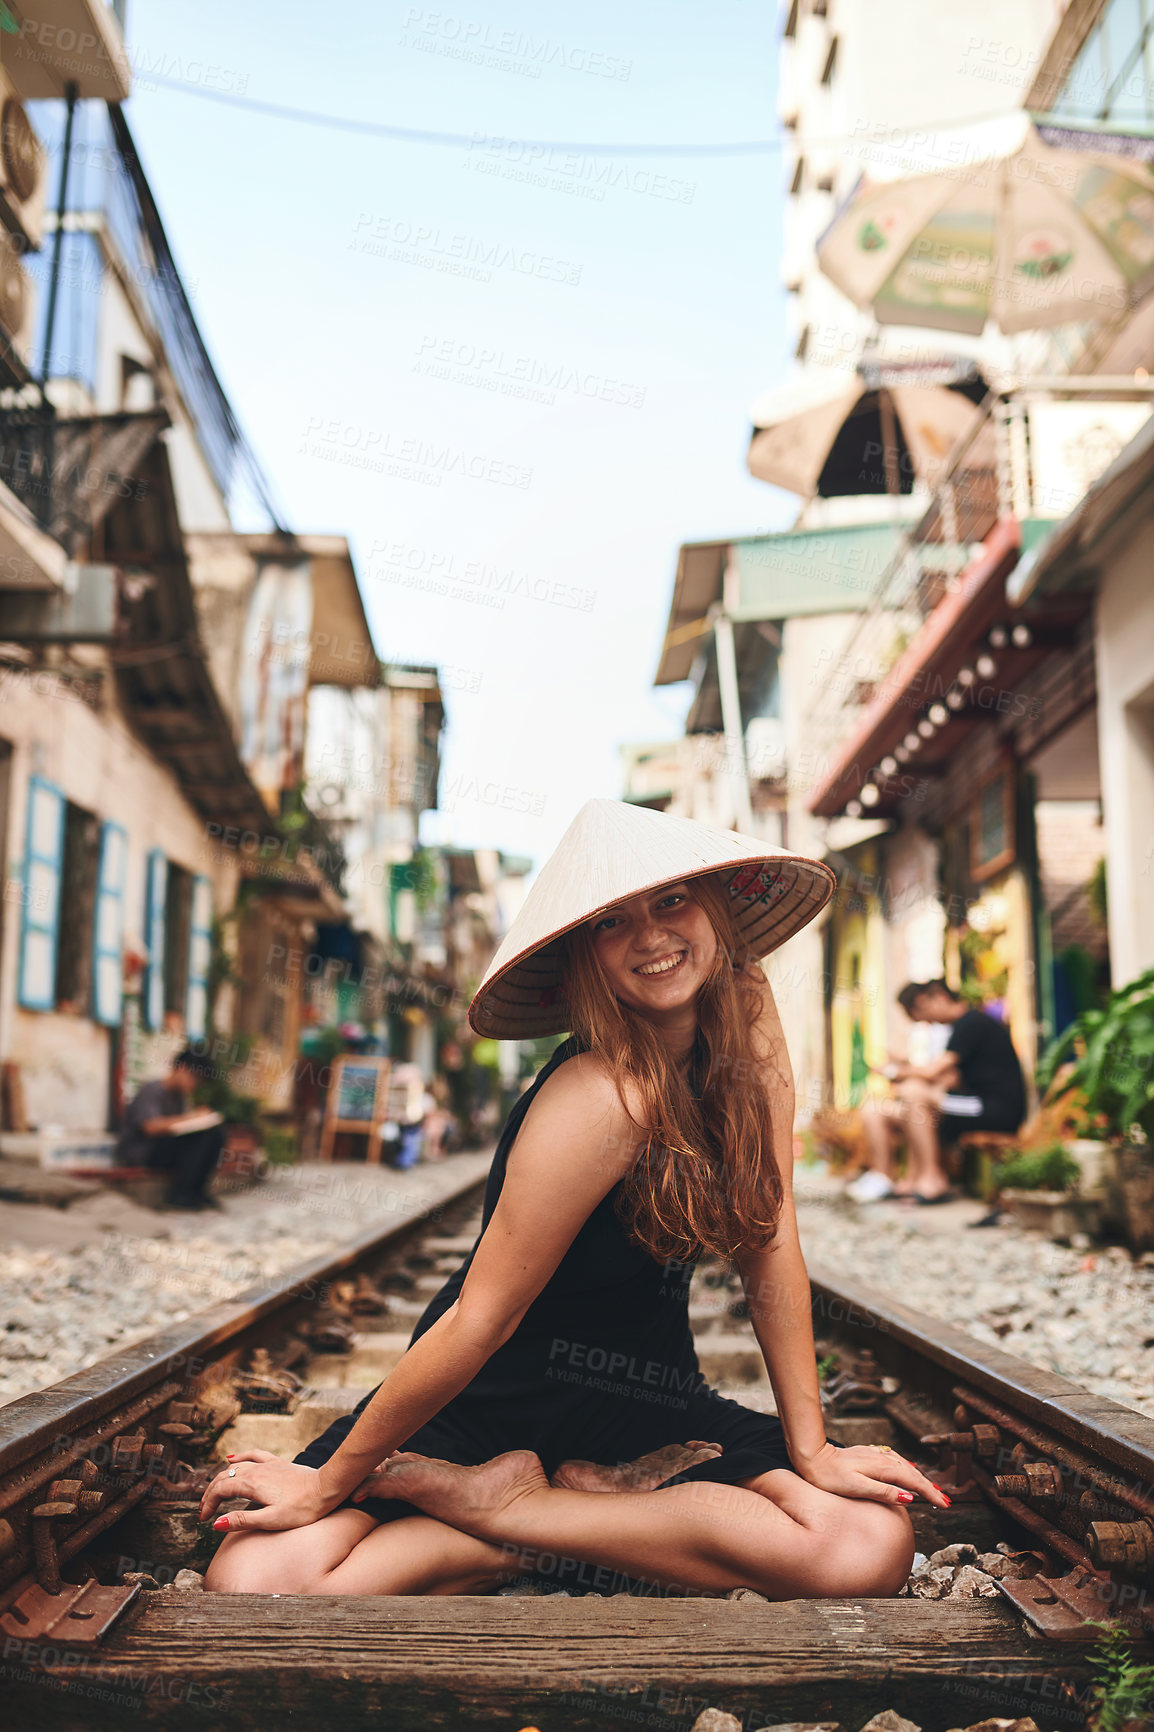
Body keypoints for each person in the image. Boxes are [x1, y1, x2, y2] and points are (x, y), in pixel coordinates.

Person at [201, 799, 944, 1601]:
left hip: (647, 1413)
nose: (652, 937)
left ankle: (513, 1516)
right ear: (583, 955)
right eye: (611, 923)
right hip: (485, 1410)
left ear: (716, 907)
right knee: (255, 1579)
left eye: (671, 901)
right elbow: (479, 1319)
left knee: (864, 1549)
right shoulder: (597, 1095)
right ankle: (544, 1522)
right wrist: (325, 1485)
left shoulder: (748, 1019)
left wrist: (815, 1450)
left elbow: (769, 1241)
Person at [851, 980, 1026, 1206]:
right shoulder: (958, 1029)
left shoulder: (972, 1022)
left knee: (914, 1094)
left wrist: (896, 1070)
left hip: (993, 1108)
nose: (928, 1022)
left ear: (939, 997)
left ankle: (932, 1177)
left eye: (924, 1014)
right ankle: (887, 1177)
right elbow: (948, 1078)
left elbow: (934, 1073)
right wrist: (908, 1069)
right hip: (970, 1104)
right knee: (877, 1109)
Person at [116, 1048, 224, 1211]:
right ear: (182, 1068)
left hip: (162, 1150)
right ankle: (180, 1194)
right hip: (141, 1151)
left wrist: (200, 1120)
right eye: (194, 1079)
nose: (194, 1085)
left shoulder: (179, 1097)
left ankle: (197, 1192)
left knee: (215, 1134)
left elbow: (181, 1129)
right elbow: (150, 1127)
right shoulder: (152, 1090)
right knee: (199, 1138)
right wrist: (191, 1118)